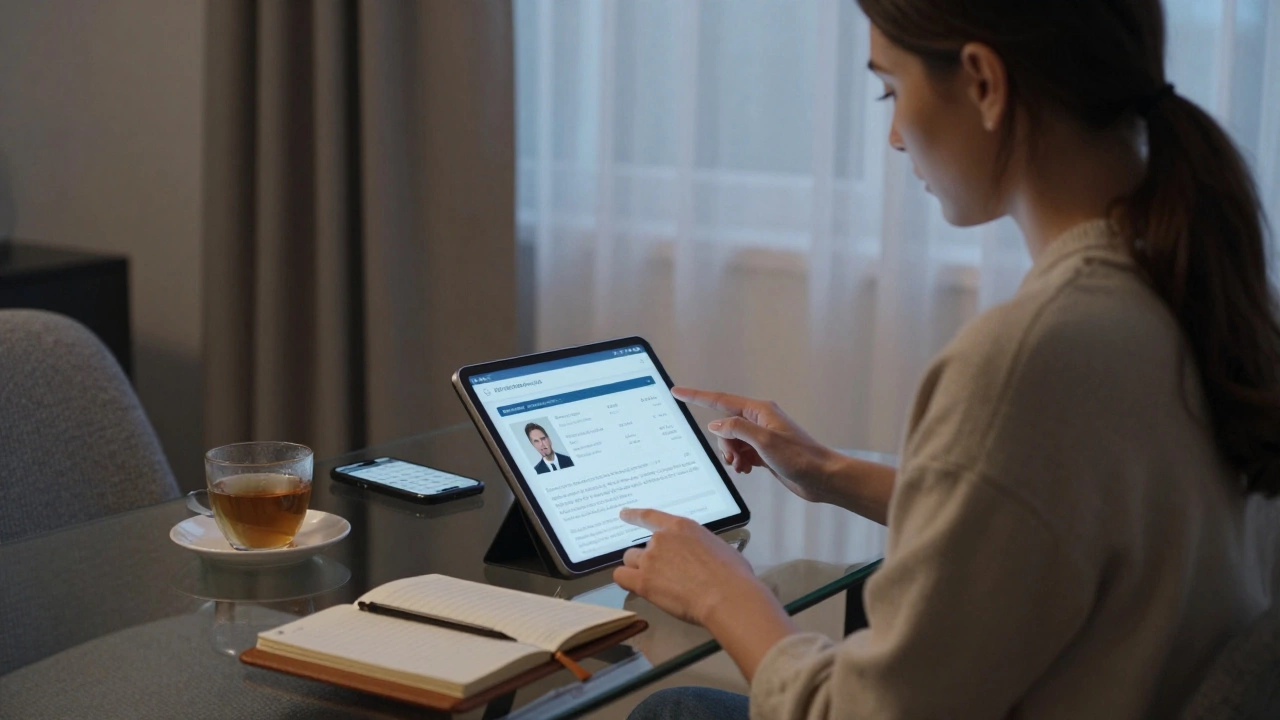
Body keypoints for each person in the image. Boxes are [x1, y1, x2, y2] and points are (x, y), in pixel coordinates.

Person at [616, 1, 1280, 718]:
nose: (897, 138)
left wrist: (724, 593)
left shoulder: (1031, 356)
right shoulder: (1208, 292)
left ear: (984, 82)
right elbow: (1065, 526)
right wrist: (830, 474)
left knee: (672, 709)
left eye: (891, 90)